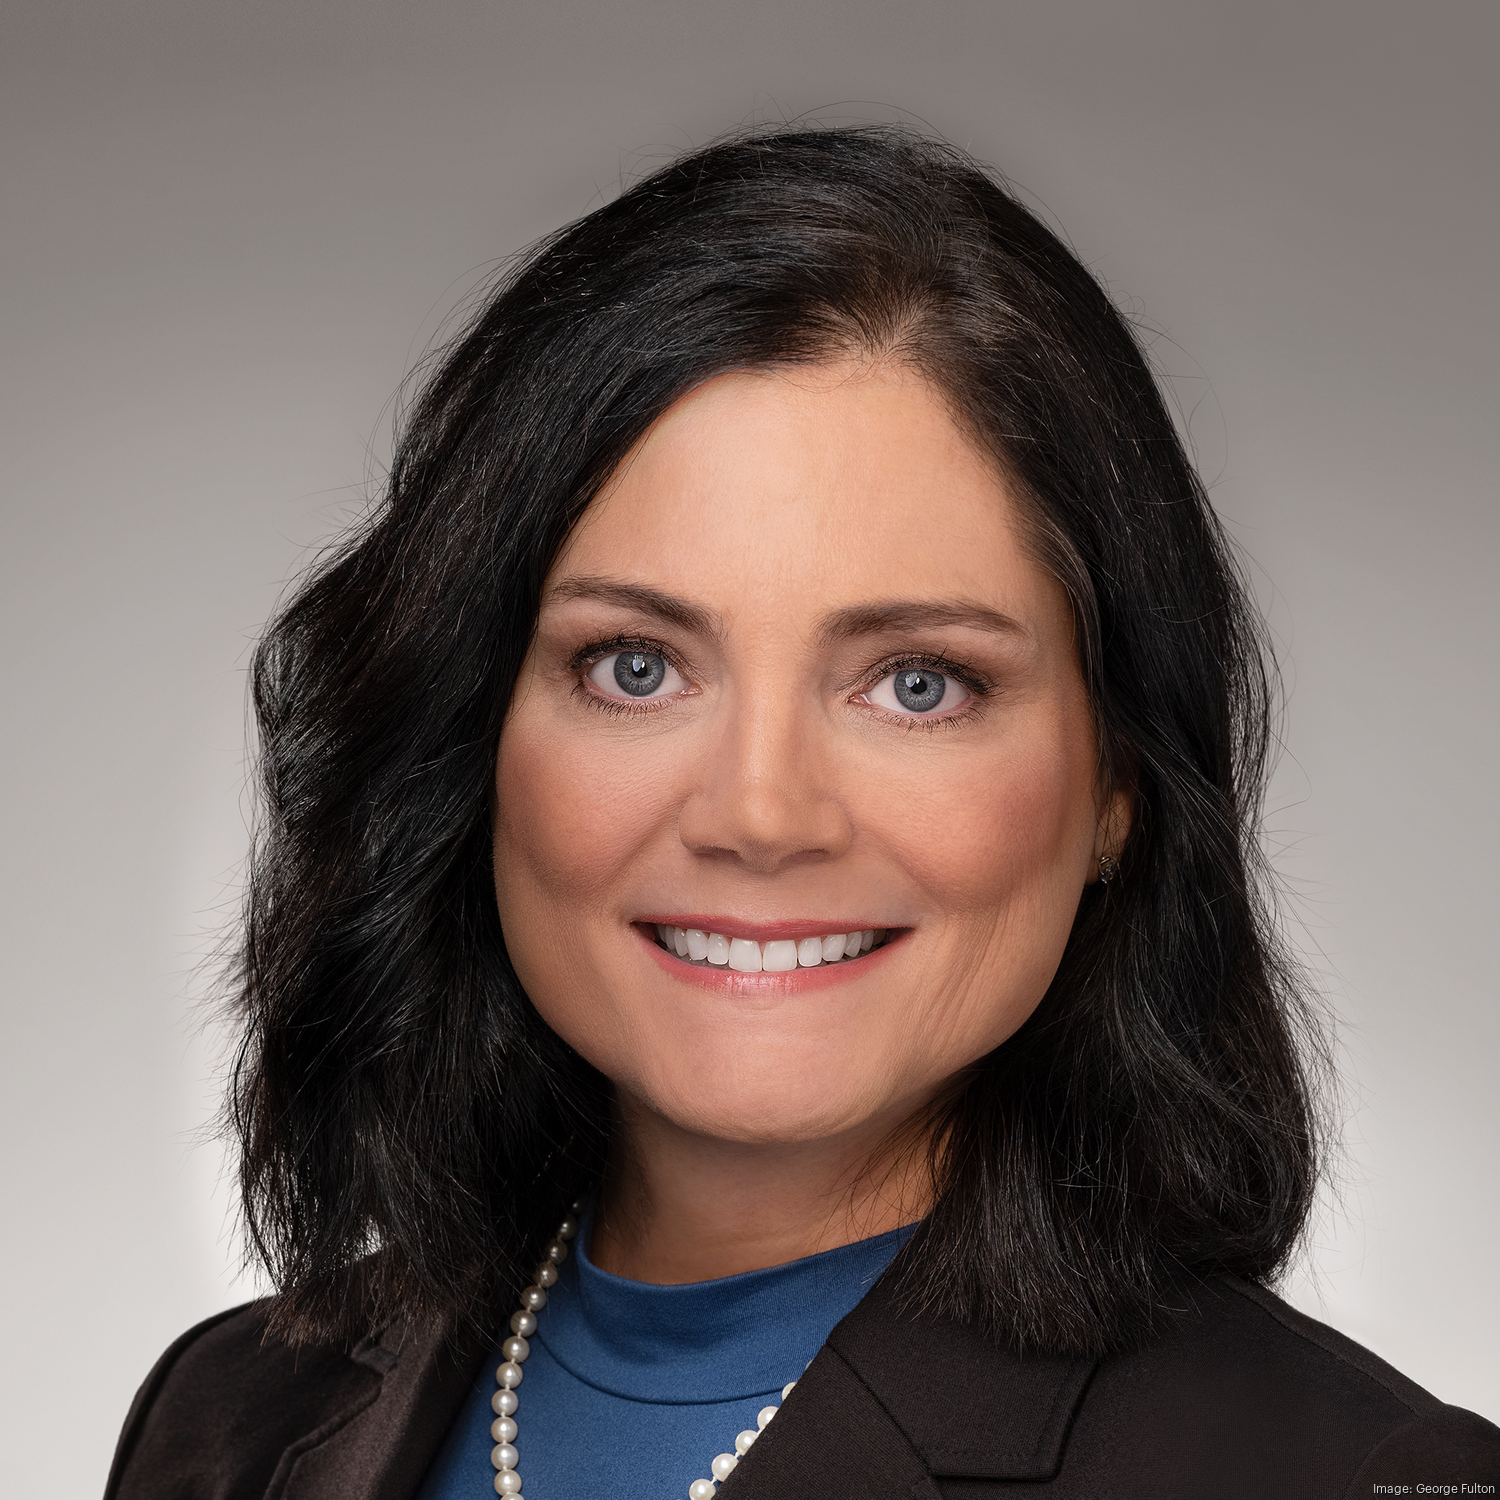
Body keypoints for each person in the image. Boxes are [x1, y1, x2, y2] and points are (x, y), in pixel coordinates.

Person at [105, 126, 1500, 1500]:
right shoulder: (228, 1422)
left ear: (1117, 788)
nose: (762, 814)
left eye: (917, 683)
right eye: (635, 667)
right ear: (469, 737)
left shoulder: (1345, 1476)